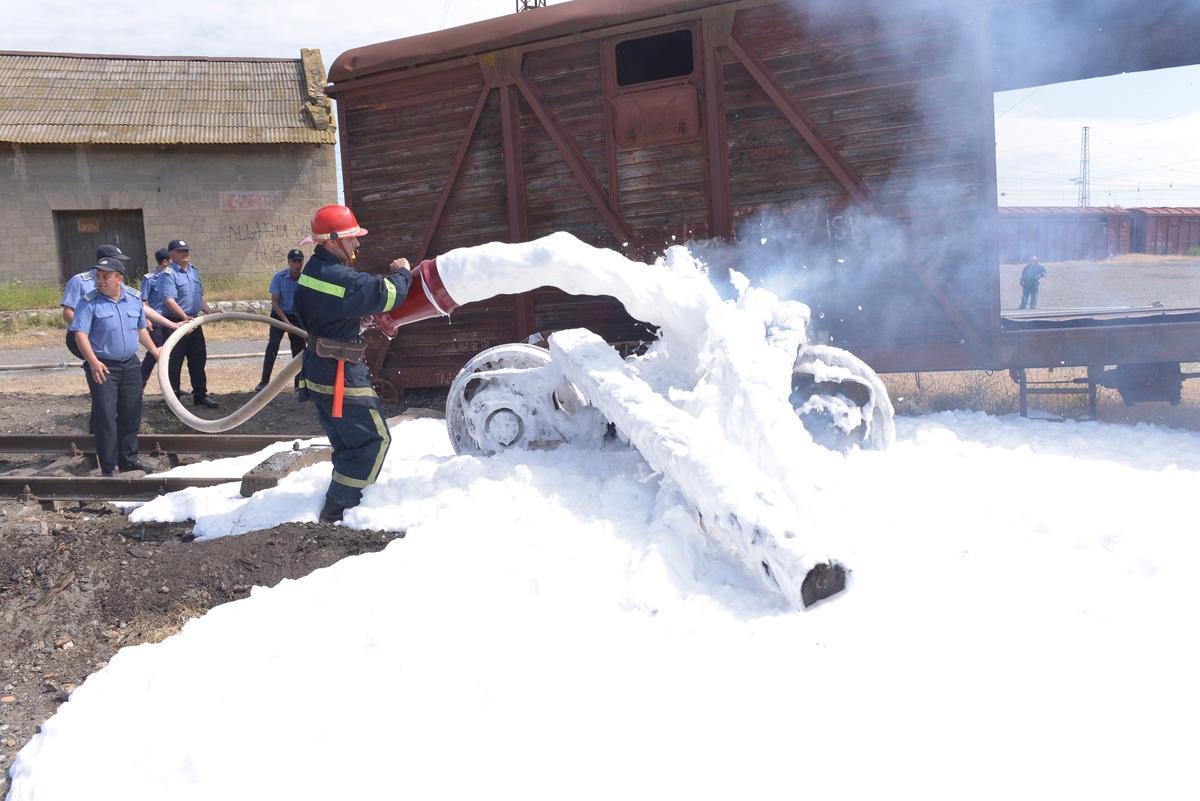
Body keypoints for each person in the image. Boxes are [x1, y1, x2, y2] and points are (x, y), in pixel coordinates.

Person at [293, 205, 414, 523]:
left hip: (319, 369)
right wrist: (404, 271)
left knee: (348, 443)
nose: (358, 244)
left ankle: (340, 506)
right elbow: (387, 293)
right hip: (340, 374)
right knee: (373, 441)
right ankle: (340, 510)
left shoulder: (312, 272)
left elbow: (325, 309)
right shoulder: (339, 277)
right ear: (332, 240)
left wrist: (350, 319)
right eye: (352, 238)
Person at [69, 256, 162, 476]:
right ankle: (109, 468)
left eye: (106, 277)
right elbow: (79, 334)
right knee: (106, 416)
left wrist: (154, 350)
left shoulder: (133, 299)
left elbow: (140, 330)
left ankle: (129, 459)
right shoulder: (88, 301)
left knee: (132, 413)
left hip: (130, 365)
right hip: (103, 367)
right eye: (98, 277)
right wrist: (93, 362)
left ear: (119, 279)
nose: (100, 281)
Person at [156, 238, 219, 407]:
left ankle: (200, 396)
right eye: (181, 251)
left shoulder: (193, 271)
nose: (185, 254)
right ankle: (173, 399)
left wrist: (209, 311)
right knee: (174, 362)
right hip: (175, 323)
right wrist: (184, 318)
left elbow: (199, 298)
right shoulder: (167, 275)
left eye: (187, 251)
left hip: (194, 321)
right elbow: (169, 300)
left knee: (198, 360)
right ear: (171, 254)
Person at [61, 244, 131, 359]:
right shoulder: (79, 281)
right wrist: (87, 329)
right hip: (85, 335)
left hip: (106, 334)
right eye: (118, 261)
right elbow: (68, 312)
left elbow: (129, 302)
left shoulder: (116, 281)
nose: (122, 266)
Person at [255, 248, 307, 392]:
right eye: (294, 261)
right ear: (289, 262)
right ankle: (264, 382)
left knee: (299, 350)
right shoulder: (279, 277)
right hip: (279, 314)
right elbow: (275, 303)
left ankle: (299, 385)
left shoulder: (305, 279)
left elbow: (307, 303)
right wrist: (284, 321)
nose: (297, 264)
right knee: (273, 346)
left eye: (300, 261)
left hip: (296, 317)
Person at [139, 248, 178, 386]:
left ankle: (170, 387)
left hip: (171, 320)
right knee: (154, 353)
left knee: (171, 355)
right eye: (171, 259)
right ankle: (140, 384)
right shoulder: (149, 279)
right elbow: (142, 302)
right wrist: (147, 319)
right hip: (157, 321)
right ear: (165, 261)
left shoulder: (173, 276)